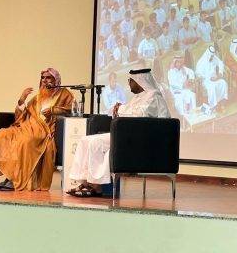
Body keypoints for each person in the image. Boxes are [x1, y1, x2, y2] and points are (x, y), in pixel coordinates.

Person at [67, 69, 170, 197]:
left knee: (95, 142)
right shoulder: (138, 97)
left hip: (142, 140)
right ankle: (85, 182)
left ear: (140, 81)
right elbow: (126, 111)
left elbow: (140, 115)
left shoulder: (153, 97)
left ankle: (96, 186)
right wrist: (118, 109)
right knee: (85, 140)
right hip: (127, 136)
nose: (129, 83)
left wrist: (120, 109)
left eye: (131, 80)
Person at [0, 68, 74, 191]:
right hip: (27, 126)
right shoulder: (38, 97)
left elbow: (71, 110)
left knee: (25, 141)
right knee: (3, 134)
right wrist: (21, 100)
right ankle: (10, 176)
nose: (44, 80)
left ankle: (15, 180)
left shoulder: (65, 94)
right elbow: (21, 116)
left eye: (48, 77)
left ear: (56, 80)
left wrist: (53, 110)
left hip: (45, 129)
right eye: (43, 78)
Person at [195, 46, 228, 112]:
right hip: (206, 81)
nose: (212, 58)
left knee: (223, 83)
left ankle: (222, 104)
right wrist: (206, 77)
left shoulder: (214, 58)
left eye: (213, 56)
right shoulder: (201, 61)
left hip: (215, 79)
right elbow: (197, 73)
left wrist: (219, 74)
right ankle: (213, 106)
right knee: (212, 87)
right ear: (208, 54)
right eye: (211, 56)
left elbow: (221, 63)